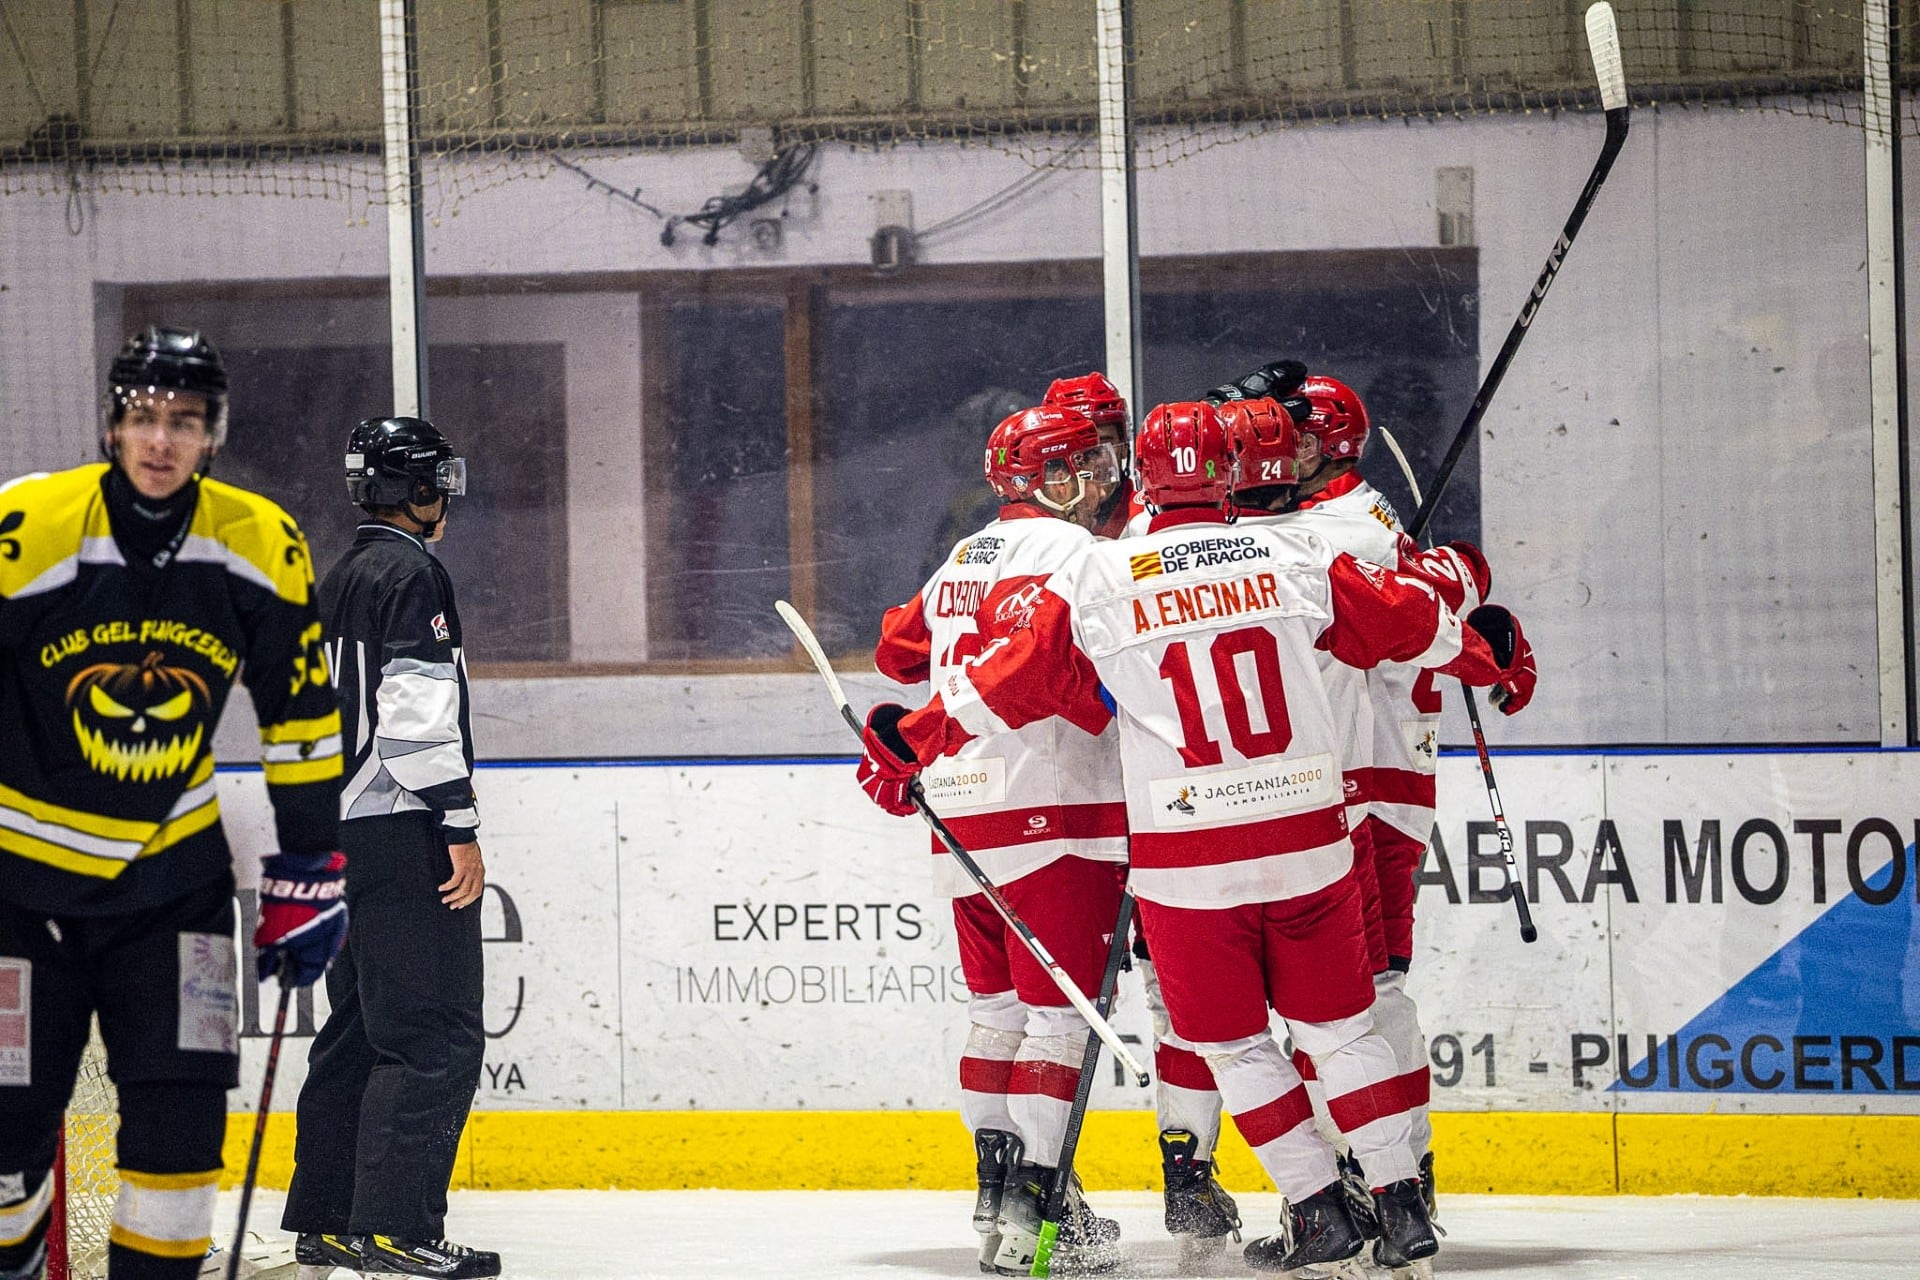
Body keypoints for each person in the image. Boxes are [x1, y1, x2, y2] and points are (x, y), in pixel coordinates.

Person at [856, 400, 1535, 1275]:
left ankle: (1310, 1206)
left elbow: (1007, 678)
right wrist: (1493, 660)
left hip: (1184, 854)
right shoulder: (1299, 552)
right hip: (1304, 836)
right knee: (1343, 1026)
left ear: (1142, 474)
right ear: (1232, 469)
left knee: (1227, 1040)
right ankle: (1402, 1208)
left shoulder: (1102, 576)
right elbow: (1414, 624)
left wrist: (916, 740)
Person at [0, 326, 347, 1280]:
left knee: (182, 1141)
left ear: (213, 434)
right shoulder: (29, 526)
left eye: (184, 422)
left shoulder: (257, 539)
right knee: (4, 1141)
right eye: (144, 418)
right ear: (113, 426)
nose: (161, 441)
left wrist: (311, 866)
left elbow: (303, 718)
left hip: (173, 894)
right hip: (18, 898)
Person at [865, 404, 1128, 1275]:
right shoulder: (1076, 553)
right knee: (1058, 1023)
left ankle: (994, 1194)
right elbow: (1049, 666)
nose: (1101, 477)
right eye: (1082, 464)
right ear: (1046, 479)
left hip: (963, 813)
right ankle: (1042, 1211)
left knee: (997, 1015)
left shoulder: (958, 559)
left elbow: (896, 650)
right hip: (1055, 810)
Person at [281, 418, 497, 1279]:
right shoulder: (414, 573)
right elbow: (414, 719)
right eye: (435, 479)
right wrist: (457, 823)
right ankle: (395, 1228)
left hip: (341, 834)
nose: (444, 494)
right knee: (436, 1037)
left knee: (361, 1030)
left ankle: (328, 1220)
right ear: (415, 488)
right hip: (403, 825)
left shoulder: (339, 576)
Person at [1045, 370, 1249, 1260]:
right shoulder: (1043, 544)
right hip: (1080, 808)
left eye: (1097, 448)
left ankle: (1187, 1166)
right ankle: (1051, 1186)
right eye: (1071, 453)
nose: (1084, 468)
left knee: (1184, 1004)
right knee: (1064, 1008)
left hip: (1167, 808)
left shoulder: (1155, 532)